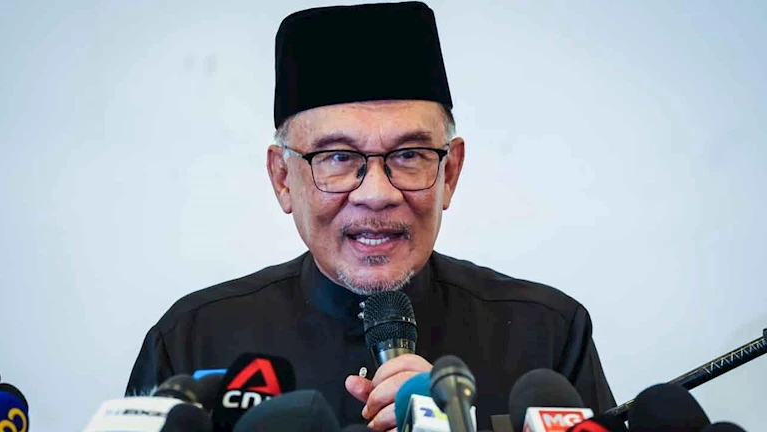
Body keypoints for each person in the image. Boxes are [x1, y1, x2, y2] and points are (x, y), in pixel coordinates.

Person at [126, 2, 616, 430]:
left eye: (409, 155)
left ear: (449, 172)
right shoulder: (191, 341)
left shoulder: (547, 334)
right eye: (338, 157)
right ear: (282, 178)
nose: (377, 194)